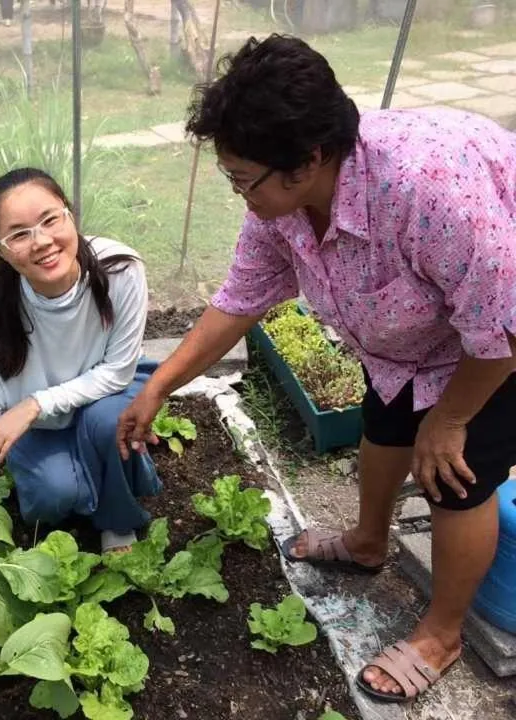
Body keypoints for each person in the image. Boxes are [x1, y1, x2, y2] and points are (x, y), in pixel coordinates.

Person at [117, 34, 516, 703]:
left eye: (244, 177)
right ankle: (367, 543)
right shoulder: (284, 207)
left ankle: (441, 634)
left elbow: (502, 328)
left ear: (307, 160)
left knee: (457, 475)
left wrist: (450, 419)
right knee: (388, 421)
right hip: (419, 331)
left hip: (499, 336)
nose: (239, 191)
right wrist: (157, 383)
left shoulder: (429, 192)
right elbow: (239, 303)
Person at [0, 167, 162, 553]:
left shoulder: (119, 270)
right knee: (54, 495)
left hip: (107, 394)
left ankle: (117, 519)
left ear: (70, 215)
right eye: (19, 234)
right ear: (1, 250)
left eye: (50, 220)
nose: (42, 241)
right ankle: (94, 468)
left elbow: (117, 372)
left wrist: (35, 404)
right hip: (42, 425)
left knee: (107, 422)